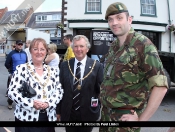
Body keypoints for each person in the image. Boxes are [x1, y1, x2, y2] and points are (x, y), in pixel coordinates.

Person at [99, 2, 168, 132]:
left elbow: (160, 86)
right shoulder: (114, 46)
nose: (114, 23)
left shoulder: (143, 44)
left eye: (119, 18)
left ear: (129, 20)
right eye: (110, 19)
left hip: (124, 120)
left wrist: (141, 120)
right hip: (106, 117)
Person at [7, 38, 63, 132]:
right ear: (30, 51)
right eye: (35, 49)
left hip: (48, 118)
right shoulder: (21, 69)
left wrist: (48, 103)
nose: (39, 52)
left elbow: (59, 91)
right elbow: (12, 92)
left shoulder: (53, 71)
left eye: (42, 49)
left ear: (46, 52)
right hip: (26, 119)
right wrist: (31, 103)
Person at [56, 35, 103, 132]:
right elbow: (59, 89)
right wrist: (58, 111)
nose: (78, 49)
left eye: (81, 46)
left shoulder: (97, 66)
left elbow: (100, 91)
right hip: (69, 113)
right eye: (76, 46)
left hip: (88, 113)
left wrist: (97, 109)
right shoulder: (65, 65)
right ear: (72, 49)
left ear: (87, 49)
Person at [5, 40, 28, 109]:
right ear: (16, 45)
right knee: (12, 90)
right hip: (13, 74)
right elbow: (7, 64)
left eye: (21, 44)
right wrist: (11, 70)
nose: (20, 46)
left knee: (23, 90)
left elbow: (26, 63)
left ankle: (21, 103)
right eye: (19, 44)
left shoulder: (24, 53)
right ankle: (10, 102)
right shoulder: (11, 53)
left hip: (23, 75)